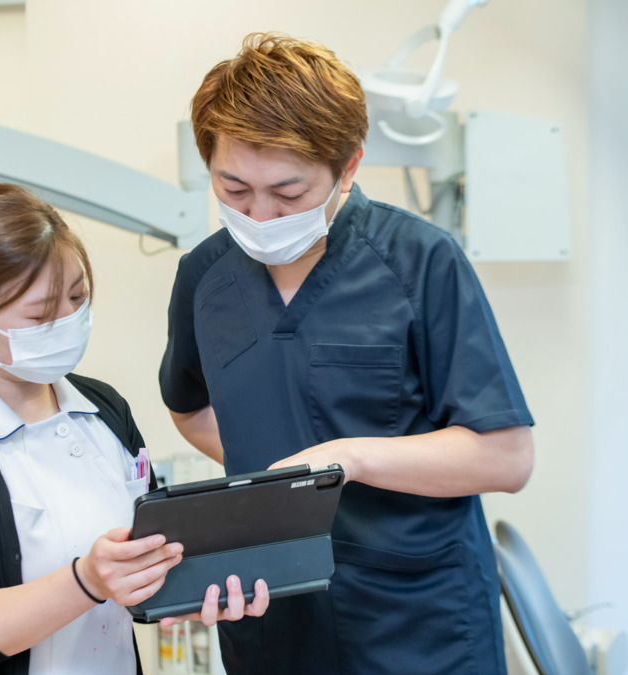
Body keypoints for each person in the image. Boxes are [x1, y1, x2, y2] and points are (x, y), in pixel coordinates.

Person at [159, 34, 535, 674]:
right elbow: (189, 408)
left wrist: (344, 462)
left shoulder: (421, 261)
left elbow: (506, 456)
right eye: (234, 188)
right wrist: (274, 492)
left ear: (349, 166)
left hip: (418, 620)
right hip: (273, 612)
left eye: (289, 192)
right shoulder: (205, 276)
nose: (260, 215)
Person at [0, 183, 266, 675]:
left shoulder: (104, 408)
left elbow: (144, 557)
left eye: (77, 296)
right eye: (40, 314)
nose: (69, 319)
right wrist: (86, 581)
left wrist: (193, 588)